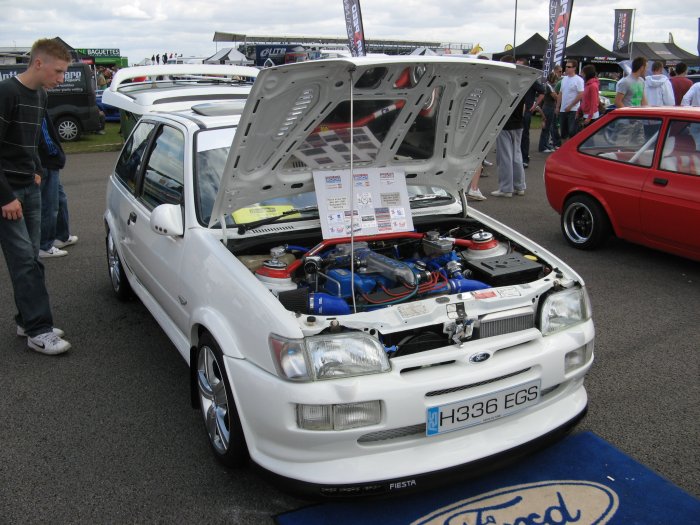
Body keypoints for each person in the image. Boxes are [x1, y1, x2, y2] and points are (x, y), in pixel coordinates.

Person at [0, 38, 72, 355]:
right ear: (38, 63)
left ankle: (26, 320)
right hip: (8, 194)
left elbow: (31, 140)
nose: (61, 79)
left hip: (30, 185)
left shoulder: (40, 95)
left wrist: (37, 168)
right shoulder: (6, 93)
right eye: (58, 72)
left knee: (33, 259)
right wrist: (5, 196)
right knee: (24, 262)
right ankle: (39, 330)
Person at [38, 114, 78, 258]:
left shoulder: (40, 97)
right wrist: (55, 153)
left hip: (48, 161)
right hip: (46, 162)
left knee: (60, 200)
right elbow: (43, 134)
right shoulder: (36, 98)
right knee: (50, 205)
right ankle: (44, 246)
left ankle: (61, 236)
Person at [492, 55, 526, 198]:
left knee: (505, 156)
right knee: (516, 154)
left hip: (505, 123)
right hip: (518, 123)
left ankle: (506, 188)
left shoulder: (503, 81)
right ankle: (519, 186)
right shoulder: (521, 81)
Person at [516, 58, 545, 168]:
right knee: (514, 135)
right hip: (515, 112)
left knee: (524, 135)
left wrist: (535, 105)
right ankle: (516, 158)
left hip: (526, 112)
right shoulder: (515, 77)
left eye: (520, 65)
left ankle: (524, 158)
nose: (517, 67)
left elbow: (542, 92)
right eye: (516, 65)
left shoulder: (531, 79)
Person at [557, 59, 584, 143]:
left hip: (573, 109)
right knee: (563, 132)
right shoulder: (564, 79)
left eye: (569, 67)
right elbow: (560, 93)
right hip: (563, 109)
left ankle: (571, 149)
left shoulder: (579, 80)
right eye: (566, 66)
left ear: (574, 68)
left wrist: (571, 106)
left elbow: (581, 94)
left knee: (572, 131)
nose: (566, 68)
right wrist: (557, 107)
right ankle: (564, 150)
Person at [538, 71, 559, 153]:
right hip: (548, 108)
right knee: (546, 128)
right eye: (556, 79)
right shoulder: (549, 86)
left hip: (549, 107)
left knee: (548, 127)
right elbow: (556, 97)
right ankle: (542, 147)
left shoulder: (549, 86)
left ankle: (546, 144)